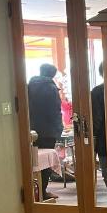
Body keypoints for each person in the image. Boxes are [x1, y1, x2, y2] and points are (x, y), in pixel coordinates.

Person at [28, 63, 64, 200]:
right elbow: (55, 111)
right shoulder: (50, 88)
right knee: (46, 161)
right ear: (53, 74)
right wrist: (58, 129)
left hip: (31, 129)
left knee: (34, 160)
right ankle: (43, 191)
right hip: (48, 130)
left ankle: (35, 192)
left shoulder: (29, 86)